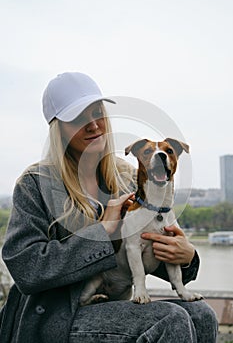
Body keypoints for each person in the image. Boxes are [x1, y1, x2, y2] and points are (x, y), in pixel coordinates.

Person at [0, 72, 218, 343]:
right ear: (58, 129)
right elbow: (27, 270)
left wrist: (186, 257)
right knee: (168, 319)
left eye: (97, 112)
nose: (93, 125)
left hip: (113, 300)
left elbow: (142, 253)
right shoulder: (35, 184)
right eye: (78, 118)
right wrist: (102, 233)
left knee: (201, 313)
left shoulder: (128, 178)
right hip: (56, 315)